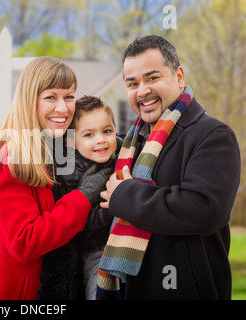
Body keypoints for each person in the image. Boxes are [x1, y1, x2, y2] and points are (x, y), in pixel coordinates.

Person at [97, 35, 241, 300]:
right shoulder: (129, 145)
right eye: (132, 83)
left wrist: (125, 195)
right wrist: (13, 141)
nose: (142, 91)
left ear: (179, 77)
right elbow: (79, 150)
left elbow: (205, 209)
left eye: (152, 78)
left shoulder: (213, 135)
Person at [0, 57, 110, 300]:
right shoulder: (7, 158)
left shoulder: (55, 150)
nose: (63, 108)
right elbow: (25, 242)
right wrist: (83, 195)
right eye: (51, 97)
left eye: (69, 96)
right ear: (30, 100)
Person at [38, 96, 121, 300]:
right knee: (100, 292)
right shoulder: (71, 170)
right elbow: (79, 221)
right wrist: (115, 209)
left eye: (107, 131)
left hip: (118, 243)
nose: (100, 139)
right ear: (71, 140)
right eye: (89, 135)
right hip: (92, 251)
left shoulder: (120, 152)